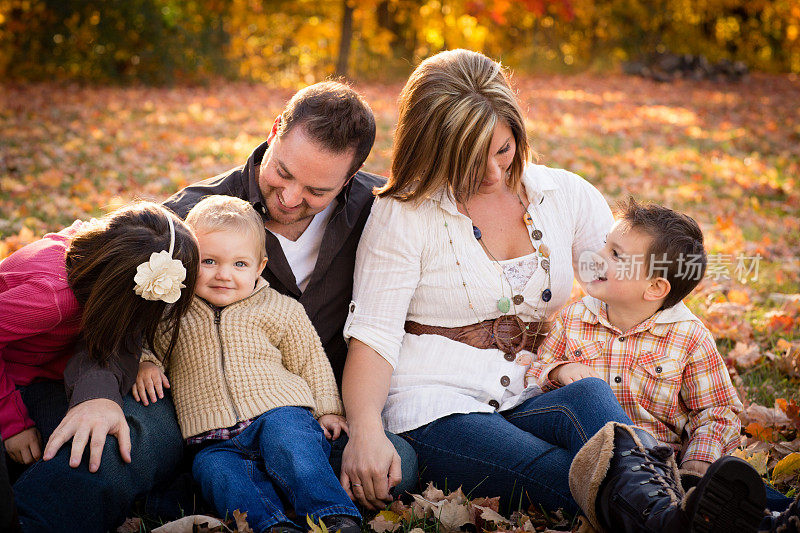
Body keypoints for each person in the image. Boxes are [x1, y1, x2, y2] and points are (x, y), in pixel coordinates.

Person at [339, 48, 766, 532]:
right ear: (432, 150)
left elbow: (629, 280)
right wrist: (367, 430)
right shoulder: (403, 215)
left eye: (502, 150)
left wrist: (687, 348)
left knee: (590, 398)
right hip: (439, 402)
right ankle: (736, 514)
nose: (494, 175)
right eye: (468, 162)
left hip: (531, 387)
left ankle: (709, 513)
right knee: (565, 473)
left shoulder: (564, 195)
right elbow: (374, 336)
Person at [33, 80, 417, 527]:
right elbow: (116, 316)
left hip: (299, 417)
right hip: (190, 409)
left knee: (397, 463)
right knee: (120, 434)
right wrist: (96, 396)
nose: (290, 198)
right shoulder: (191, 218)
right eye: (284, 173)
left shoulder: (378, 212)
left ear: (349, 178)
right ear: (275, 130)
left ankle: (216, 494)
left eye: (316, 190)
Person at [134, 195, 361, 533]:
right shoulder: (172, 312)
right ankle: (270, 526)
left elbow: (311, 360)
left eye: (239, 264)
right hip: (211, 436)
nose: (224, 275)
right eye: (209, 261)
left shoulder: (280, 309)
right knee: (218, 475)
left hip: (278, 412)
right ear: (188, 261)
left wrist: (328, 408)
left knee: (294, 447)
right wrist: (146, 364)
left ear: (259, 267)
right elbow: (144, 342)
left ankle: (332, 514)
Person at [1, 202, 198, 532]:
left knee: (106, 441)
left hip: (45, 375)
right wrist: (12, 423)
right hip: (14, 385)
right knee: (92, 451)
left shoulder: (96, 252)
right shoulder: (52, 298)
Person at [527, 198, 742, 473]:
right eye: (606, 244)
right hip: (588, 455)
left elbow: (717, 411)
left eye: (616, 254)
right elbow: (534, 375)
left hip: (662, 461)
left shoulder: (689, 337)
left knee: (747, 493)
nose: (599, 255)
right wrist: (559, 370)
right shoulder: (575, 318)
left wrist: (698, 458)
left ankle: (779, 513)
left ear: (654, 288)